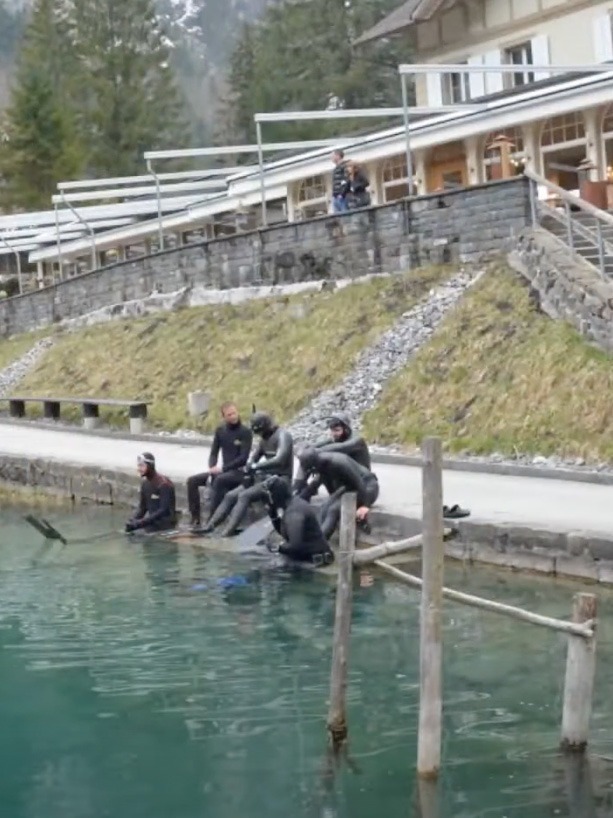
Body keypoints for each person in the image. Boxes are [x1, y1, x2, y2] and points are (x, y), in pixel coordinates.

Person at [201, 410, 294, 537]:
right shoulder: (264, 440)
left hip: (280, 480)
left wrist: (256, 466)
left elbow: (280, 459)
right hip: (265, 479)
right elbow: (254, 457)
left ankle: (226, 533)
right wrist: (250, 466)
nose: (259, 435)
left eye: (260, 431)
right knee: (230, 495)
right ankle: (210, 526)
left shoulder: (283, 436)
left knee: (244, 496)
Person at [186, 402, 252, 530]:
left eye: (234, 413)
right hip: (224, 471)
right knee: (192, 481)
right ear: (224, 417)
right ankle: (195, 519)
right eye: (229, 415)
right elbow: (214, 453)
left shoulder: (245, 432)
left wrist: (222, 469)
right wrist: (212, 467)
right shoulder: (220, 431)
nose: (233, 416)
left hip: (238, 473)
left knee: (220, 479)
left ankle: (212, 521)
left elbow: (243, 459)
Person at [298, 447, 379, 539]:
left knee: (334, 509)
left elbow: (359, 483)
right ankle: (315, 539)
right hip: (350, 488)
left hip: (368, 488)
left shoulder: (339, 463)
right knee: (325, 506)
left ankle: (320, 543)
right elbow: (314, 485)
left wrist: (365, 505)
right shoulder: (322, 463)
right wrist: (298, 500)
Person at [292, 412, 371, 500]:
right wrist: (303, 449)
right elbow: (313, 446)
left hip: (361, 483)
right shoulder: (335, 439)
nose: (334, 434)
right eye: (332, 431)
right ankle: (297, 487)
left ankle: (307, 492)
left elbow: (341, 447)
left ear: (346, 429)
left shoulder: (357, 440)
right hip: (342, 482)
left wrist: (312, 452)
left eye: (337, 430)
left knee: (323, 461)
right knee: (308, 456)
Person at [262, 475, 334, 566]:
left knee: (269, 569)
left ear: (274, 496)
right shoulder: (291, 505)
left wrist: (277, 547)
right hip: (309, 558)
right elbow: (288, 534)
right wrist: (273, 514)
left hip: (315, 563)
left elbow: (295, 546)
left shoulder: (294, 513)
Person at [125, 452, 177, 534]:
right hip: (152, 523)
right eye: (138, 466)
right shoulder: (145, 484)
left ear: (150, 466)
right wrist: (133, 520)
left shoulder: (164, 484)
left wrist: (142, 522)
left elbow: (164, 510)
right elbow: (142, 508)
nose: (139, 469)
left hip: (165, 526)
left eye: (142, 466)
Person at [331, 149, 349, 214]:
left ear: (338, 156)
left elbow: (346, 181)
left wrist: (342, 194)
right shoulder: (335, 169)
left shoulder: (344, 166)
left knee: (345, 216)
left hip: (342, 197)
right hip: (335, 196)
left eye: (333, 156)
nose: (331, 158)